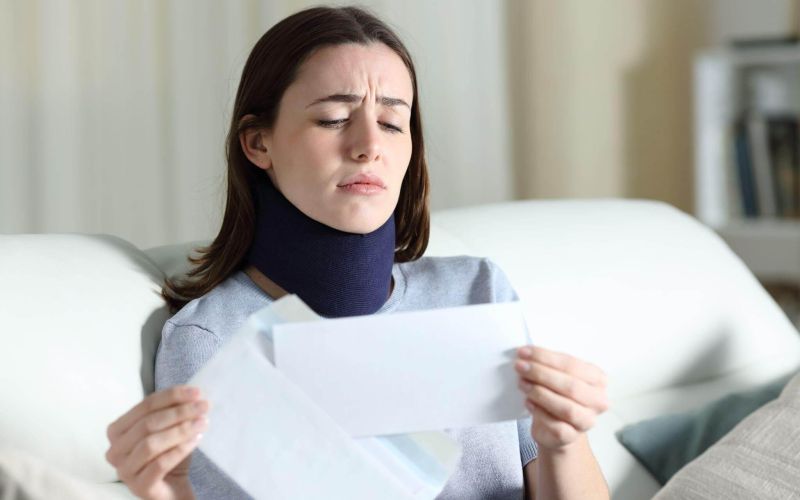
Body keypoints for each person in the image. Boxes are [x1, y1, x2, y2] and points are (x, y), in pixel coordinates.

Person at [104, 6, 610, 500]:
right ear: (258, 144)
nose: (369, 145)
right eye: (333, 119)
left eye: (392, 123)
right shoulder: (211, 341)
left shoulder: (478, 291)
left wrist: (563, 443)